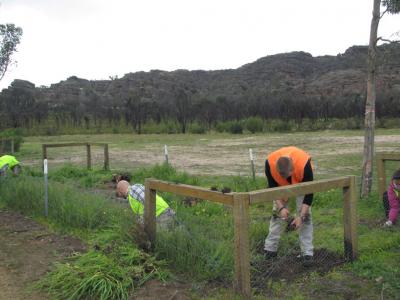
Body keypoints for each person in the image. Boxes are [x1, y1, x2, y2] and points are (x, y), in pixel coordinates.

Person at [263, 146, 314, 266]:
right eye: (283, 177)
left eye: (288, 176)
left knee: (306, 217)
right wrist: (281, 208)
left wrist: (301, 216)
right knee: (276, 215)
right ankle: (270, 249)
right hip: (279, 187)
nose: (286, 179)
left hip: (302, 183)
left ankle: (307, 253)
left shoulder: (304, 165)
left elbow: (309, 194)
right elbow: (272, 189)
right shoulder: (269, 163)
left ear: (293, 169)